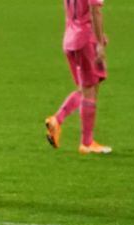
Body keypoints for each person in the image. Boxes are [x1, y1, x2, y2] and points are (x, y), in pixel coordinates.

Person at [44, 0, 111, 154]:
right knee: (90, 91)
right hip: (85, 40)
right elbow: (96, 12)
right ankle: (87, 143)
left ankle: (57, 120)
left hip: (71, 38)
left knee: (86, 89)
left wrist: (99, 35)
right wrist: (99, 42)